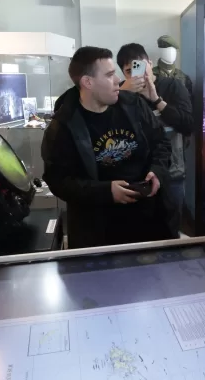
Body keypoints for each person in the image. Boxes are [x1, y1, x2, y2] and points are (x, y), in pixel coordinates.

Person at [41, 46, 173, 248]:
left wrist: (157, 171)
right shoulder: (63, 126)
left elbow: (161, 142)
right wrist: (105, 191)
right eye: (110, 75)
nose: (118, 81)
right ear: (88, 82)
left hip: (148, 219)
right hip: (97, 230)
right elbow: (58, 181)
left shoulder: (134, 104)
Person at [117, 42, 192, 234]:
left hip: (172, 171)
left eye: (141, 66)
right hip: (135, 176)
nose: (138, 74)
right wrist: (123, 94)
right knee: (136, 231)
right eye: (129, 70)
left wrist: (157, 100)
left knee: (171, 227)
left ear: (150, 63)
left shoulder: (173, 86)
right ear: (123, 73)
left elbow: (187, 125)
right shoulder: (119, 93)